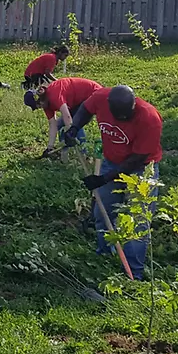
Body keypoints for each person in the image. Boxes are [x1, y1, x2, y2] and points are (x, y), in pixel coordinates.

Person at [63, 85, 162, 280]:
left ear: (134, 105)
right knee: (102, 211)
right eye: (118, 116)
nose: (123, 119)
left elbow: (137, 159)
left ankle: (134, 272)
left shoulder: (150, 118)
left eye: (126, 115)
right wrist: (75, 127)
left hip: (142, 168)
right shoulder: (101, 98)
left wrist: (103, 179)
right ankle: (105, 253)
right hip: (111, 162)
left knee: (139, 220)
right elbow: (85, 109)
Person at [24, 76, 102, 155]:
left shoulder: (54, 95)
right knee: (60, 125)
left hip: (93, 94)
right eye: (37, 107)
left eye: (38, 104)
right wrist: (49, 147)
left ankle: (84, 154)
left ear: (40, 98)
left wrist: (71, 133)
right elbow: (53, 125)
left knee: (75, 124)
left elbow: (67, 116)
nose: (40, 107)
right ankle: (64, 154)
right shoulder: (46, 104)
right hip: (78, 102)